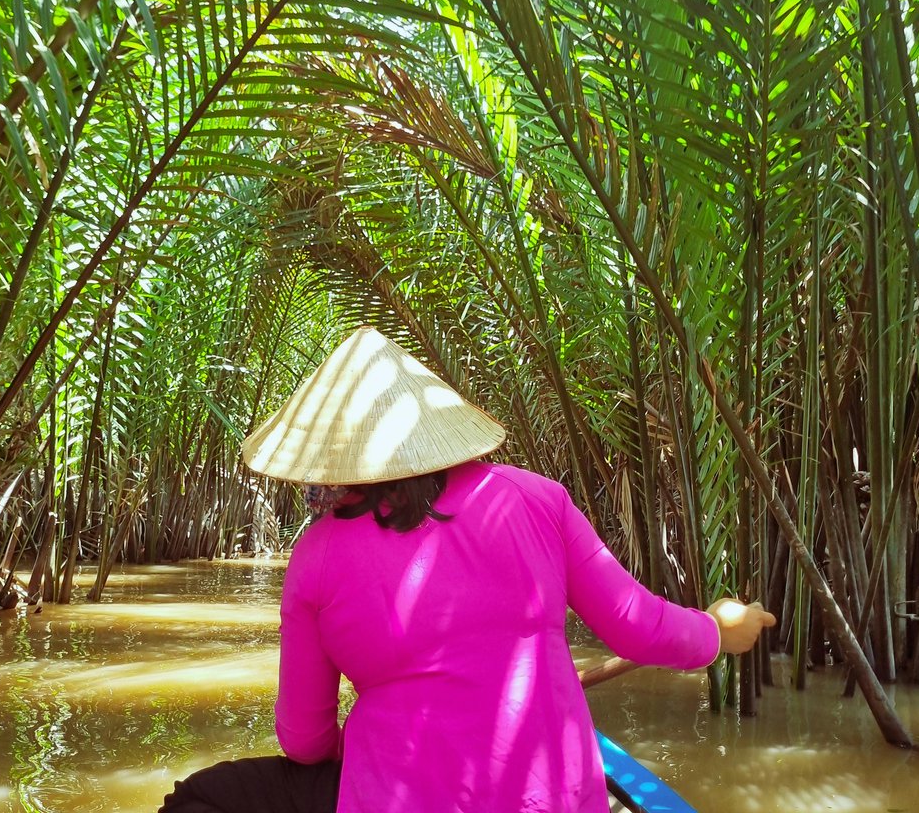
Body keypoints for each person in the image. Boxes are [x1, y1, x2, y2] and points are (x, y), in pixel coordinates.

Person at [158, 327, 775, 813]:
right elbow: (641, 627)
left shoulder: (316, 556)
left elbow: (304, 741)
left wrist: (373, 736)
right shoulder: (537, 499)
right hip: (558, 800)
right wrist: (720, 629)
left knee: (199, 798)